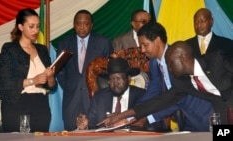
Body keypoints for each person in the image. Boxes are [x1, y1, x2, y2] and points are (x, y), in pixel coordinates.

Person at [97, 41, 233, 128]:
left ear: (182, 58)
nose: (168, 69)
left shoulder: (217, 59)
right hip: (224, 119)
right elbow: (160, 101)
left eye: (170, 64)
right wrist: (121, 115)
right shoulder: (183, 83)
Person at [112, 22, 214, 132]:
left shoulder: (177, 60)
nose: (142, 50)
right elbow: (153, 91)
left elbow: (177, 97)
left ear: (157, 40)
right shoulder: (153, 63)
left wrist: (147, 118)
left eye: (145, 45)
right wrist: (128, 115)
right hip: (185, 119)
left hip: (204, 116)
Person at [0, 8, 56, 132]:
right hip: (17, 104)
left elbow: (52, 87)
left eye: (38, 26)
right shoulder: (9, 49)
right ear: (21, 27)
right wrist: (33, 81)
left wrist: (50, 77)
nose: (35, 30)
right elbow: (4, 83)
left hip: (41, 105)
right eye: (31, 26)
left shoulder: (42, 50)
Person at [57, 9, 113, 131]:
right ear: (74, 24)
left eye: (86, 24)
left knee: (96, 135)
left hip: (95, 99)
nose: (82, 27)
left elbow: (109, 72)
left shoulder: (103, 43)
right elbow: (59, 71)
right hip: (71, 100)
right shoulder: (64, 43)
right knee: (71, 135)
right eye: (78, 23)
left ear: (91, 25)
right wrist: (70, 86)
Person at [76, 57, 145, 130]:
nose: (115, 83)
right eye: (112, 79)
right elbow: (92, 125)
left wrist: (123, 119)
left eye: (119, 78)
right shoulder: (99, 97)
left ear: (128, 78)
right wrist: (85, 125)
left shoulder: (141, 95)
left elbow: (149, 123)